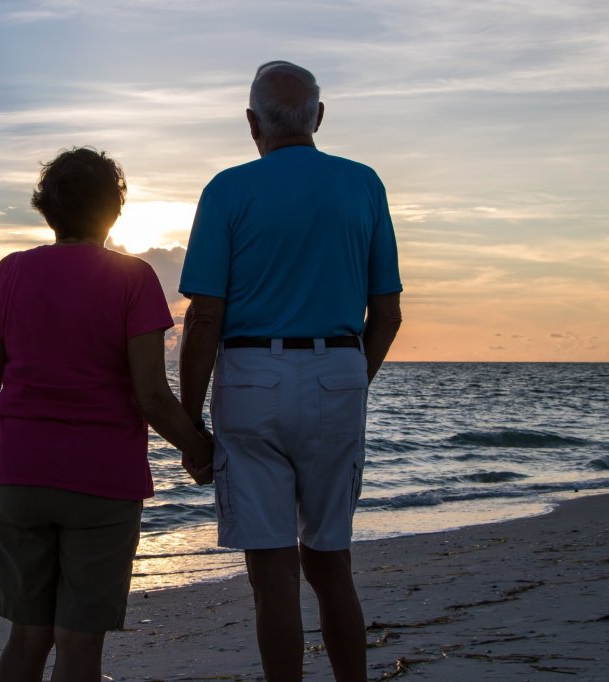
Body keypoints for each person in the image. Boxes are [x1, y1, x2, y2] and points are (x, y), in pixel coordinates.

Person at [178, 61, 403, 682]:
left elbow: (204, 319)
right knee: (331, 562)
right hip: (336, 369)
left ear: (252, 123)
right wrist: (353, 377)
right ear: (319, 118)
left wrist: (191, 421)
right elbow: (387, 313)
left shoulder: (227, 189)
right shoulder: (363, 184)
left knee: (272, 573)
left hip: (250, 374)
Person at [0, 147, 213, 682]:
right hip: (102, 482)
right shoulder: (133, 278)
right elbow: (150, 394)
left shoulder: (10, 272)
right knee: (79, 646)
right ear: (114, 210)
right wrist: (200, 448)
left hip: (20, 477)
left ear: (46, 208)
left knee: (27, 637)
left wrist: (10, 448)